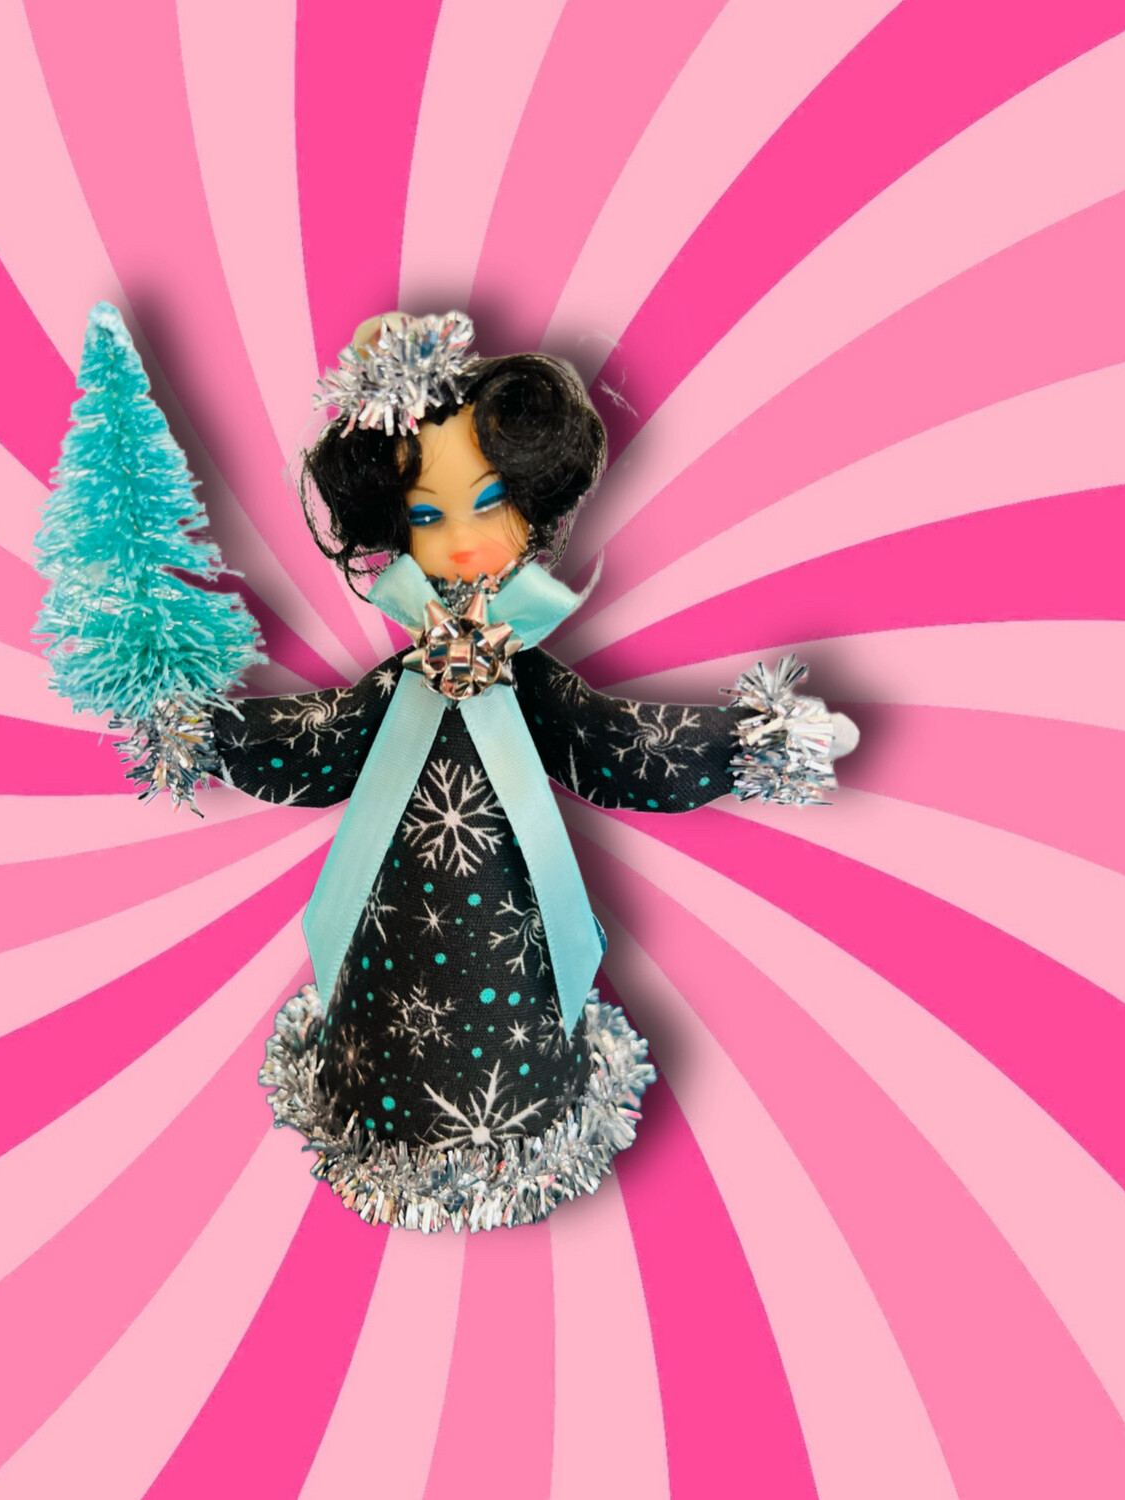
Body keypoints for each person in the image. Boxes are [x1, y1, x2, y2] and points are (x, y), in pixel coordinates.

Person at [125, 312, 857, 1232]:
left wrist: (749, 742)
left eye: (490, 501)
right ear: (394, 526)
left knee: (509, 1016)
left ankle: (516, 1141)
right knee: (391, 1023)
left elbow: (613, 743)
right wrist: (205, 730)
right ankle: (386, 1134)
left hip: (513, 958)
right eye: (428, 514)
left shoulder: (529, 679)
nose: (465, 539)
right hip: (390, 953)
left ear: (533, 501)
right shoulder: (399, 683)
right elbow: (320, 741)